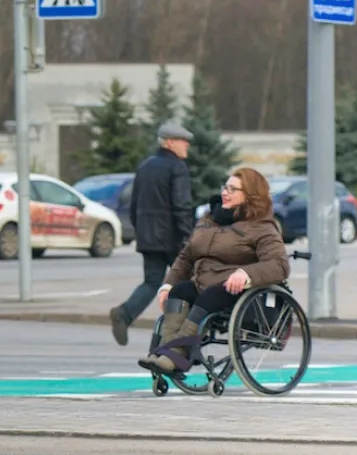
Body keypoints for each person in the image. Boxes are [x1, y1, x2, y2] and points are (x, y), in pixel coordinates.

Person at [138, 167, 289, 376]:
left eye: (233, 189)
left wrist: (247, 274)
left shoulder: (261, 226)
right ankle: (165, 353)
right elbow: (186, 257)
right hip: (204, 282)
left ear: (250, 196)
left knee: (208, 297)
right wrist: (167, 284)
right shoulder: (209, 219)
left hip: (236, 289)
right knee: (179, 292)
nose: (225, 192)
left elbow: (279, 265)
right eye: (225, 187)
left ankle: (177, 354)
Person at [109, 120, 194, 346]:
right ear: (169, 142)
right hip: (173, 239)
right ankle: (178, 335)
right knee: (188, 283)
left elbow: (134, 204)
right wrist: (189, 238)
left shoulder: (145, 166)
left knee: (152, 282)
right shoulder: (177, 167)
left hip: (149, 238)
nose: (187, 145)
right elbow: (181, 205)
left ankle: (125, 314)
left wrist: (142, 231)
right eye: (182, 141)